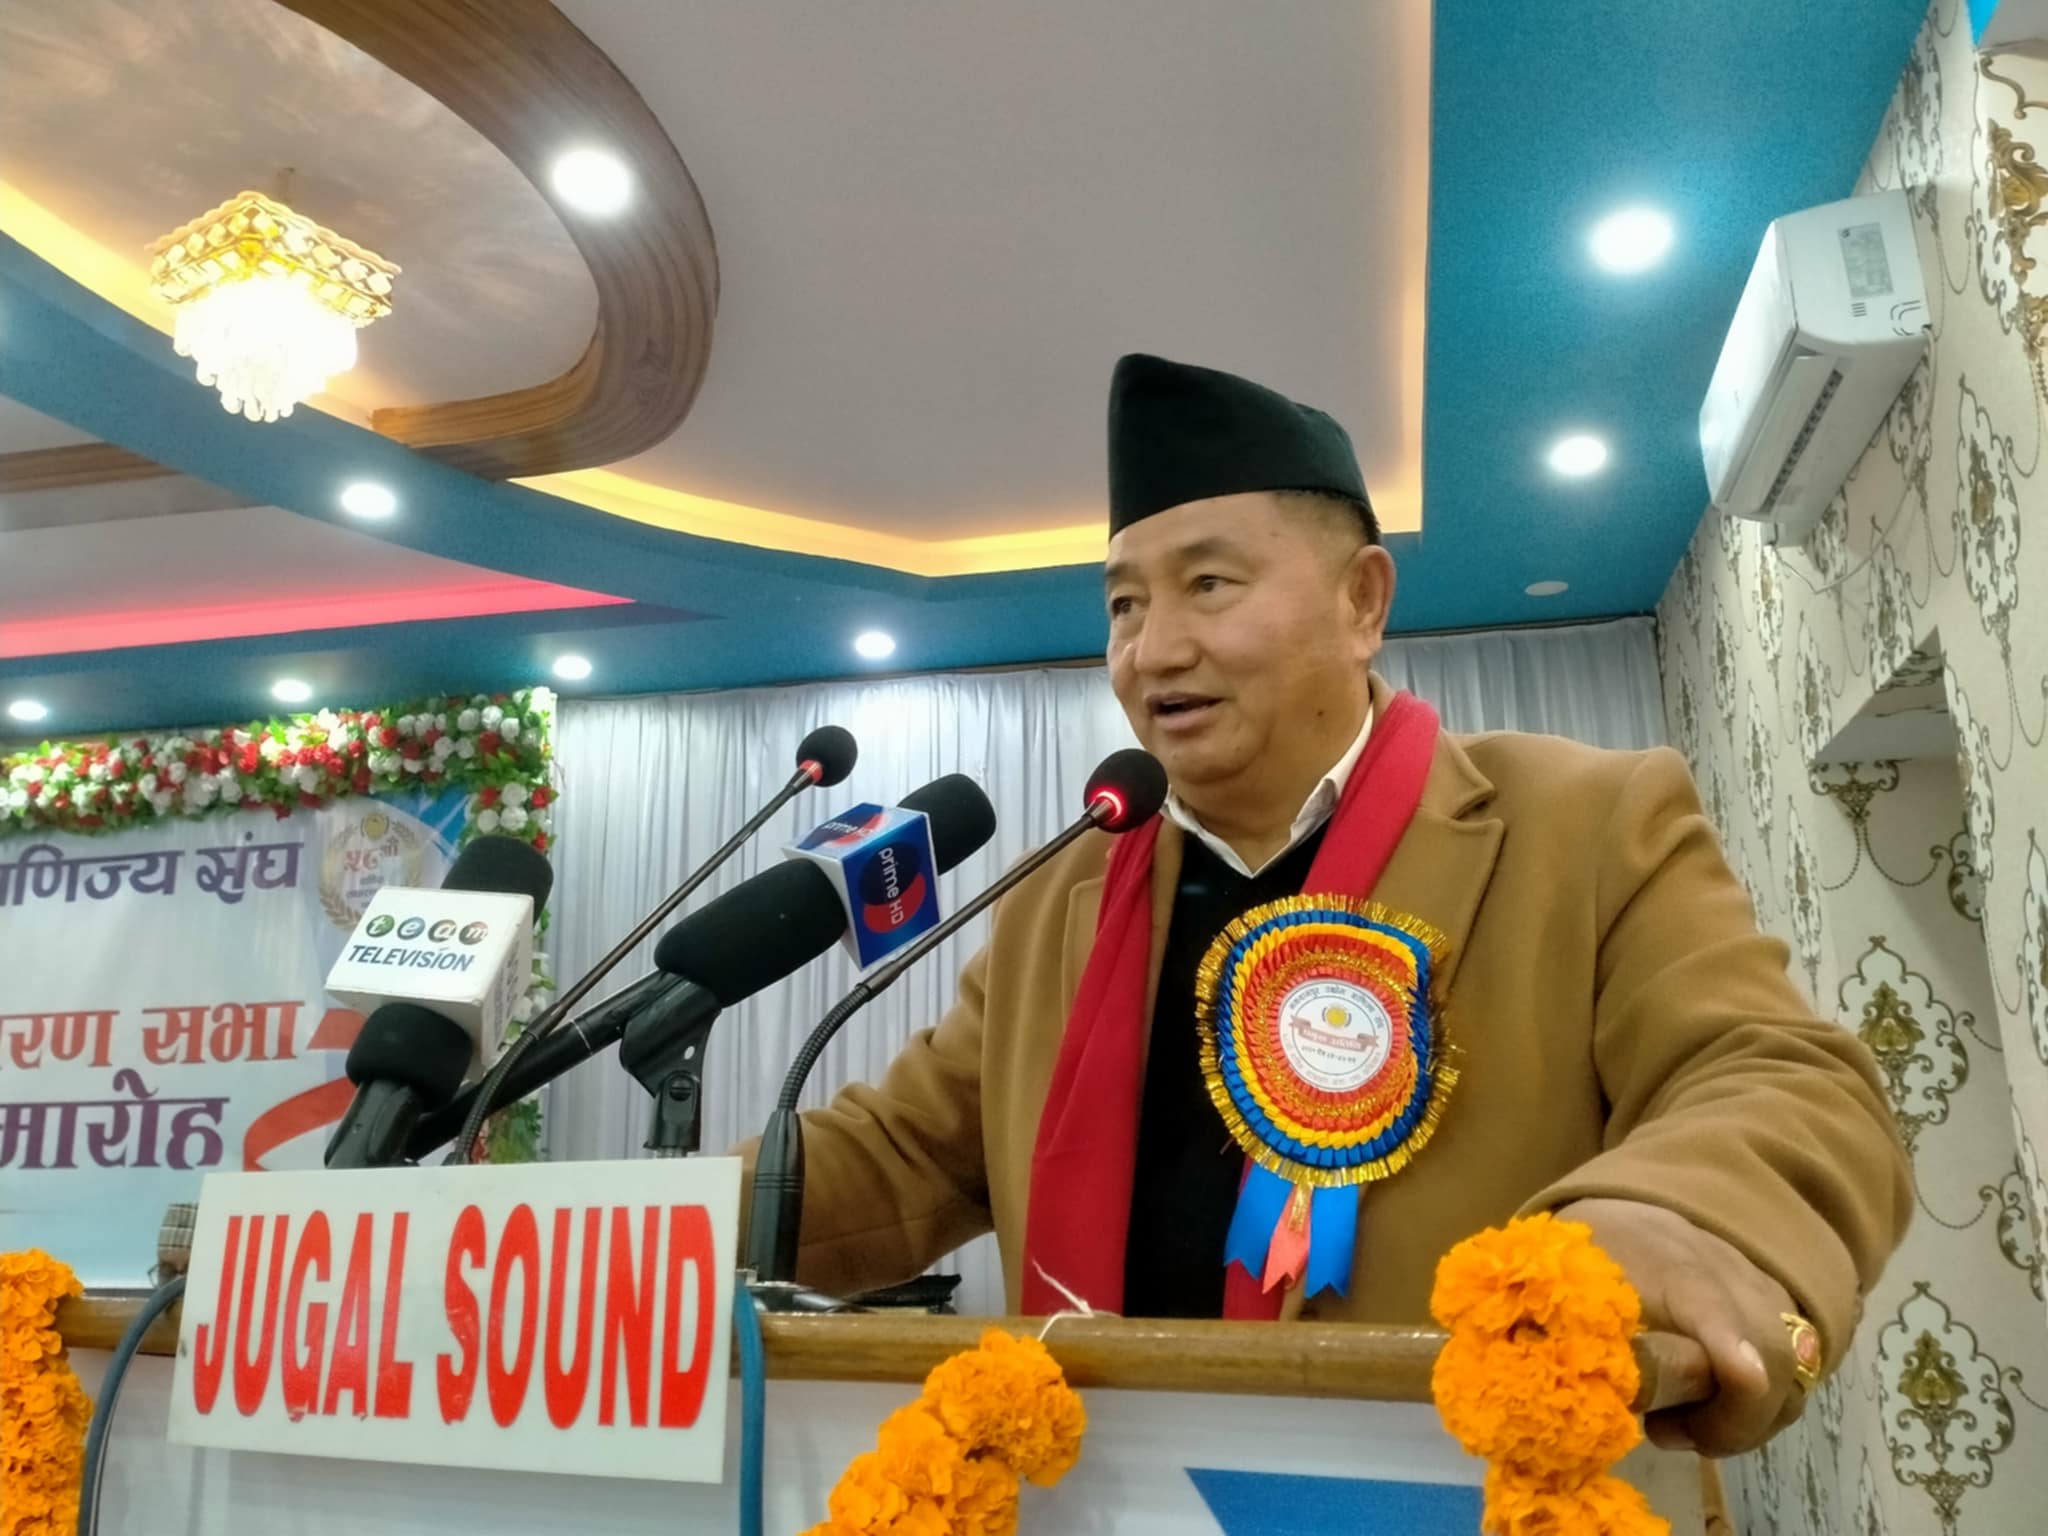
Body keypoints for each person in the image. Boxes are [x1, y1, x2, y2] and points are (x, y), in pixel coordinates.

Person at [753, 353, 1909, 1457]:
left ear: (1361, 601)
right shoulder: (1062, 897)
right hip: (1103, 1492)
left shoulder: (1582, 824)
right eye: (1122, 605)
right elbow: (903, 1154)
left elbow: (1776, 1075)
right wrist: (675, 1217)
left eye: (1207, 585)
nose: (1152, 650)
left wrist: (1669, 1212)